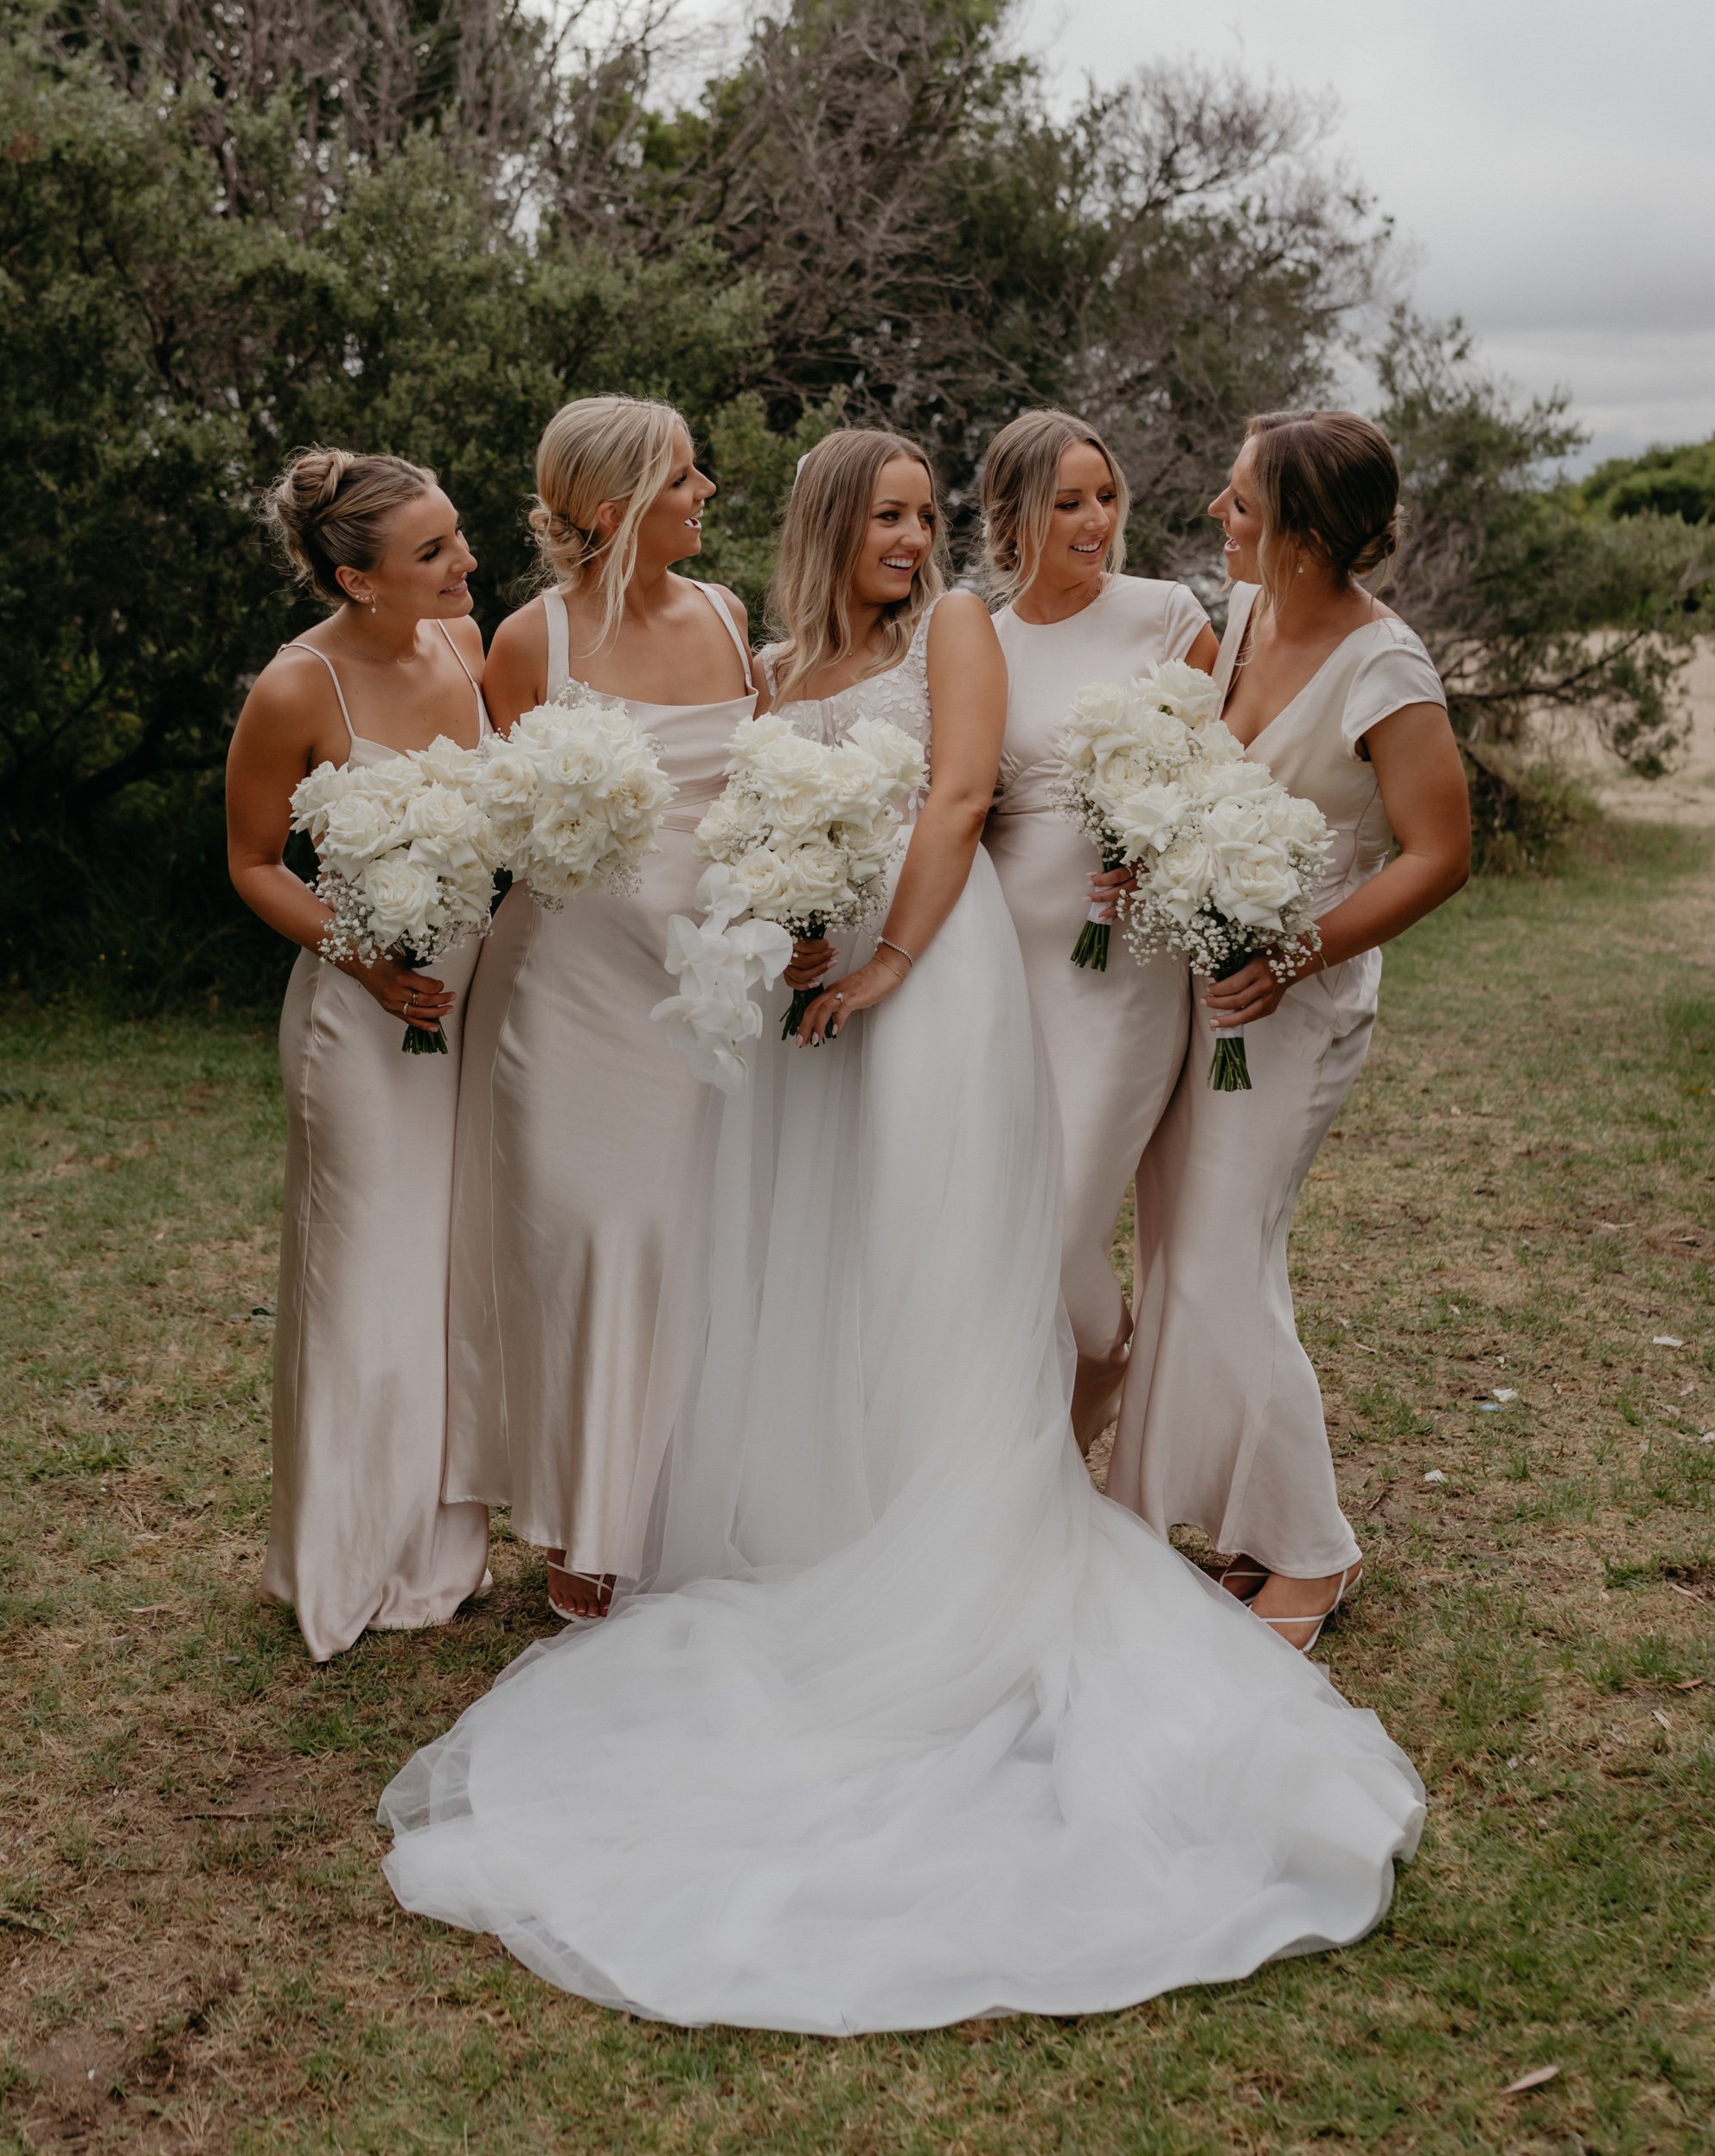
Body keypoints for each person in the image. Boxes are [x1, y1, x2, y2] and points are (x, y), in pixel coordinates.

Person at [377, 427, 1424, 2036]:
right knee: (840, 1267)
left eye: (927, 516)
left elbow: (956, 797)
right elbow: (745, 823)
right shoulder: (778, 664)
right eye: (886, 516)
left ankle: (972, 1525)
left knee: (956, 1259)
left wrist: (884, 960)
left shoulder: (957, 632)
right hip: (822, 1004)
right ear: (827, 524)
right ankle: (841, 1515)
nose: (913, 540)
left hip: (937, 986)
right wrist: (798, 933)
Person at [1107, 410, 1470, 1650]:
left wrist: (1296, 950)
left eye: (1241, 502)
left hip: (1298, 1001)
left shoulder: (1385, 671)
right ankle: (1245, 1527)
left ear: (1304, 531)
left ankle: (1315, 1553)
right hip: (1201, 986)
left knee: (1220, 1254)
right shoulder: (1249, 612)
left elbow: (1439, 853)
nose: (1217, 514)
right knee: (1189, 1252)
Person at [442, 396, 758, 1622]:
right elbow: (494, 819)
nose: (707, 492)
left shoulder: (730, 617)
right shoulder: (532, 641)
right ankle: (583, 1519)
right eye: (685, 477)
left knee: (688, 1240)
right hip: (569, 992)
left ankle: (676, 1506)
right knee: (588, 1238)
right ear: (619, 510)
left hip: (704, 988)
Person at [225, 447, 490, 1661]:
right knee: (363, 1275)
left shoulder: (466, 645)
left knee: (444, 1271)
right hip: (359, 1015)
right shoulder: (297, 686)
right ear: (355, 578)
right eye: (432, 550)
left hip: (472, 1002)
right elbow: (254, 863)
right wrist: (367, 960)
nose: (464, 561)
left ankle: (436, 1550)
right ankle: (340, 1555)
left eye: (456, 535)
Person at [980, 409, 1218, 1446]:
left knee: (1061, 1215)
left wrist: (1164, 847)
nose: (1095, 521)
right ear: (1011, 516)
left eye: (1106, 497)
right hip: (1003, 957)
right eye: (1067, 502)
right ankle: (1041, 1443)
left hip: (1125, 961)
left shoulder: (1165, 615)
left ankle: (1100, 1368)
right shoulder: (980, 641)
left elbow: (1233, 769)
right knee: (1004, 1209)